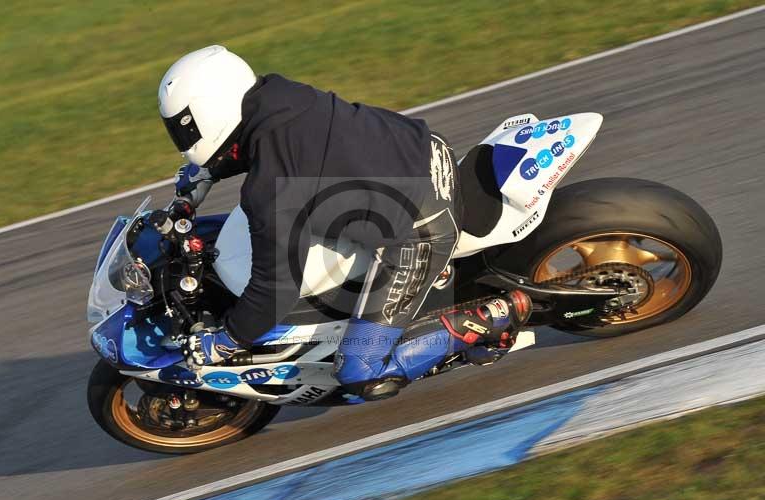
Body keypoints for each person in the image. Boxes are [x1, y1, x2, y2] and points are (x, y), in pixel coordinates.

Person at [161, 45, 531, 400]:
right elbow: (252, 146)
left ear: (210, 111)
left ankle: (488, 318)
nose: (183, 138)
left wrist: (225, 340)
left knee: (360, 371)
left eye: (184, 128)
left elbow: (273, 294)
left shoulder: (271, 190)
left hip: (422, 227)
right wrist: (200, 179)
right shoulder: (279, 95)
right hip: (427, 149)